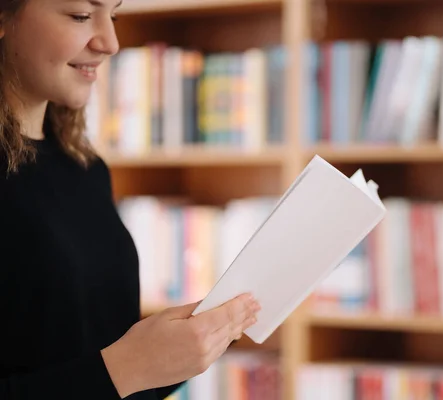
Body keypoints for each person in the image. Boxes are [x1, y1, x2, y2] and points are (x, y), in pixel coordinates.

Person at [0, 0, 261, 398]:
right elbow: (111, 373)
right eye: (82, 16)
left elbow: (101, 364)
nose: (111, 42)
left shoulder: (86, 170)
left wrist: (183, 349)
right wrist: (129, 367)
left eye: (114, 15)